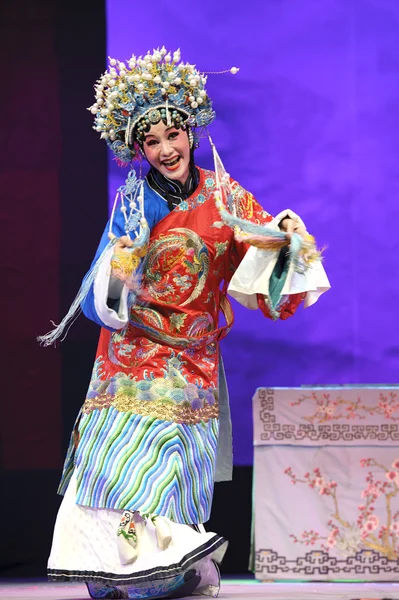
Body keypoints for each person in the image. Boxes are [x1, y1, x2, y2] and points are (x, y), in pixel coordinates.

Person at [45, 47, 330, 599]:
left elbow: (265, 274)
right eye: (151, 141)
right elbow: (95, 295)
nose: (165, 149)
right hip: (129, 359)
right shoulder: (133, 203)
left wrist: (286, 238)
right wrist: (118, 270)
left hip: (192, 361)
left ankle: (163, 576)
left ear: (190, 131)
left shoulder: (225, 195)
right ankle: (118, 573)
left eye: (172, 134)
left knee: (168, 475)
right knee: (118, 468)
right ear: (137, 149)